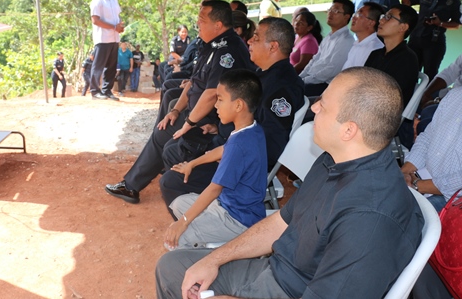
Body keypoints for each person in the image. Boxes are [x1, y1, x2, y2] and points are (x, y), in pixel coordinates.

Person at [155, 67, 424, 299]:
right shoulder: (333, 160)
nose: (313, 107)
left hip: (292, 291)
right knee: (172, 268)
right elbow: (282, 222)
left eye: (323, 105)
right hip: (277, 270)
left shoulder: (370, 218)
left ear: (349, 130)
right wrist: (214, 260)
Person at [104, 0, 253, 204]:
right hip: (198, 112)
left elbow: (211, 94)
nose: (197, 24)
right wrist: (175, 111)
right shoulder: (213, 45)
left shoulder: (228, 50)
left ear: (218, 25)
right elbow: (194, 83)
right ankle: (133, 185)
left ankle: (133, 187)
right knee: (166, 124)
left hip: (214, 121)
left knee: (164, 136)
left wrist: (188, 123)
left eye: (202, 20)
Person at [160, 17, 305, 208]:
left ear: (273, 46)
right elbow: (250, 119)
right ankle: (197, 212)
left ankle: (209, 220)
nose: (249, 41)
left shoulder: (281, 87)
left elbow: (270, 145)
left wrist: (228, 153)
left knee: (170, 182)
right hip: (230, 144)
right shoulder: (264, 74)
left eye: (256, 38)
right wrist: (219, 127)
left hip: (239, 164)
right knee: (173, 149)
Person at [164, 70, 266, 250]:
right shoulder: (251, 129)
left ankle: (197, 257)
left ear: (238, 105)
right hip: (227, 205)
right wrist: (192, 164)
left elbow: (214, 189)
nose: (216, 105)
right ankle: (200, 238)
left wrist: (183, 222)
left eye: (220, 99)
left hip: (237, 220)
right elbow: (223, 149)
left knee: (178, 238)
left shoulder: (239, 145)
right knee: (179, 203)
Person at [365, 4, 419, 149]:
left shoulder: (408, 59)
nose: (381, 20)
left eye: (388, 17)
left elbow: (389, 97)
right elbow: (361, 82)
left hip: (383, 118)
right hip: (366, 109)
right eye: (383, 16)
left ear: (403, 27)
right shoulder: (375, 54)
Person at [401, 86, 462, 213]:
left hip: (454, 200)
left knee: (404, 215)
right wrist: (404, 173)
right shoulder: (456, 95)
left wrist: (418, 185)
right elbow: (427, 137)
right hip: (425, 177)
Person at [403, 0, 462, 82]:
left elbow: (456, 24)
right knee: (409, 71)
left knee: (429, 75)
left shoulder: (454, 2)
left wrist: (440, 23)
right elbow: (405, 2)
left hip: (434, 43)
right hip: (416, 39)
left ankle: (425, 94)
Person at [299, 0, 355, 96]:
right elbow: (314, 60)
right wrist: (300, 77)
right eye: (330, 10)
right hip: (311, 80)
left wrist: (304, 81)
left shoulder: (346, 40)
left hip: (324, 85)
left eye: (336, 11)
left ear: (346, 17)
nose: (330, 13)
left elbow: (331, 70)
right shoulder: (328, 37)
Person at [89, 0, 125, 101]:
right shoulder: (97, 0)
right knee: (98, 66)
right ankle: (95, 91)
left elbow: (118, 16)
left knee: (111, 67)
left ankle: (107, 90)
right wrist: (114, 27)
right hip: (102, 38)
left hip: (114, 38)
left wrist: (120, 25)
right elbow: (95, 20)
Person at [416, 52, 462, 133]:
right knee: (418, 101)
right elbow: (448, 74)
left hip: (456, 105)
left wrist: (438, 102)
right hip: (449, 96)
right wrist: (426, 93)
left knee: (426, 116)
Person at [341, 1, 385, 69]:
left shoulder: (374, 48)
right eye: (355, 14)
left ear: (371, 23)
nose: (353, 18)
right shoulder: (357, 43)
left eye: (359, 15)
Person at [289, 8, 322, 74]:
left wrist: (287, 74)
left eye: (301, 23)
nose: (296, 24)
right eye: (296, 21)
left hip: (298, 76)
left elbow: (302, 65)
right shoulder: (297, 37)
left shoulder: (309, 41)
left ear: (309, 28)